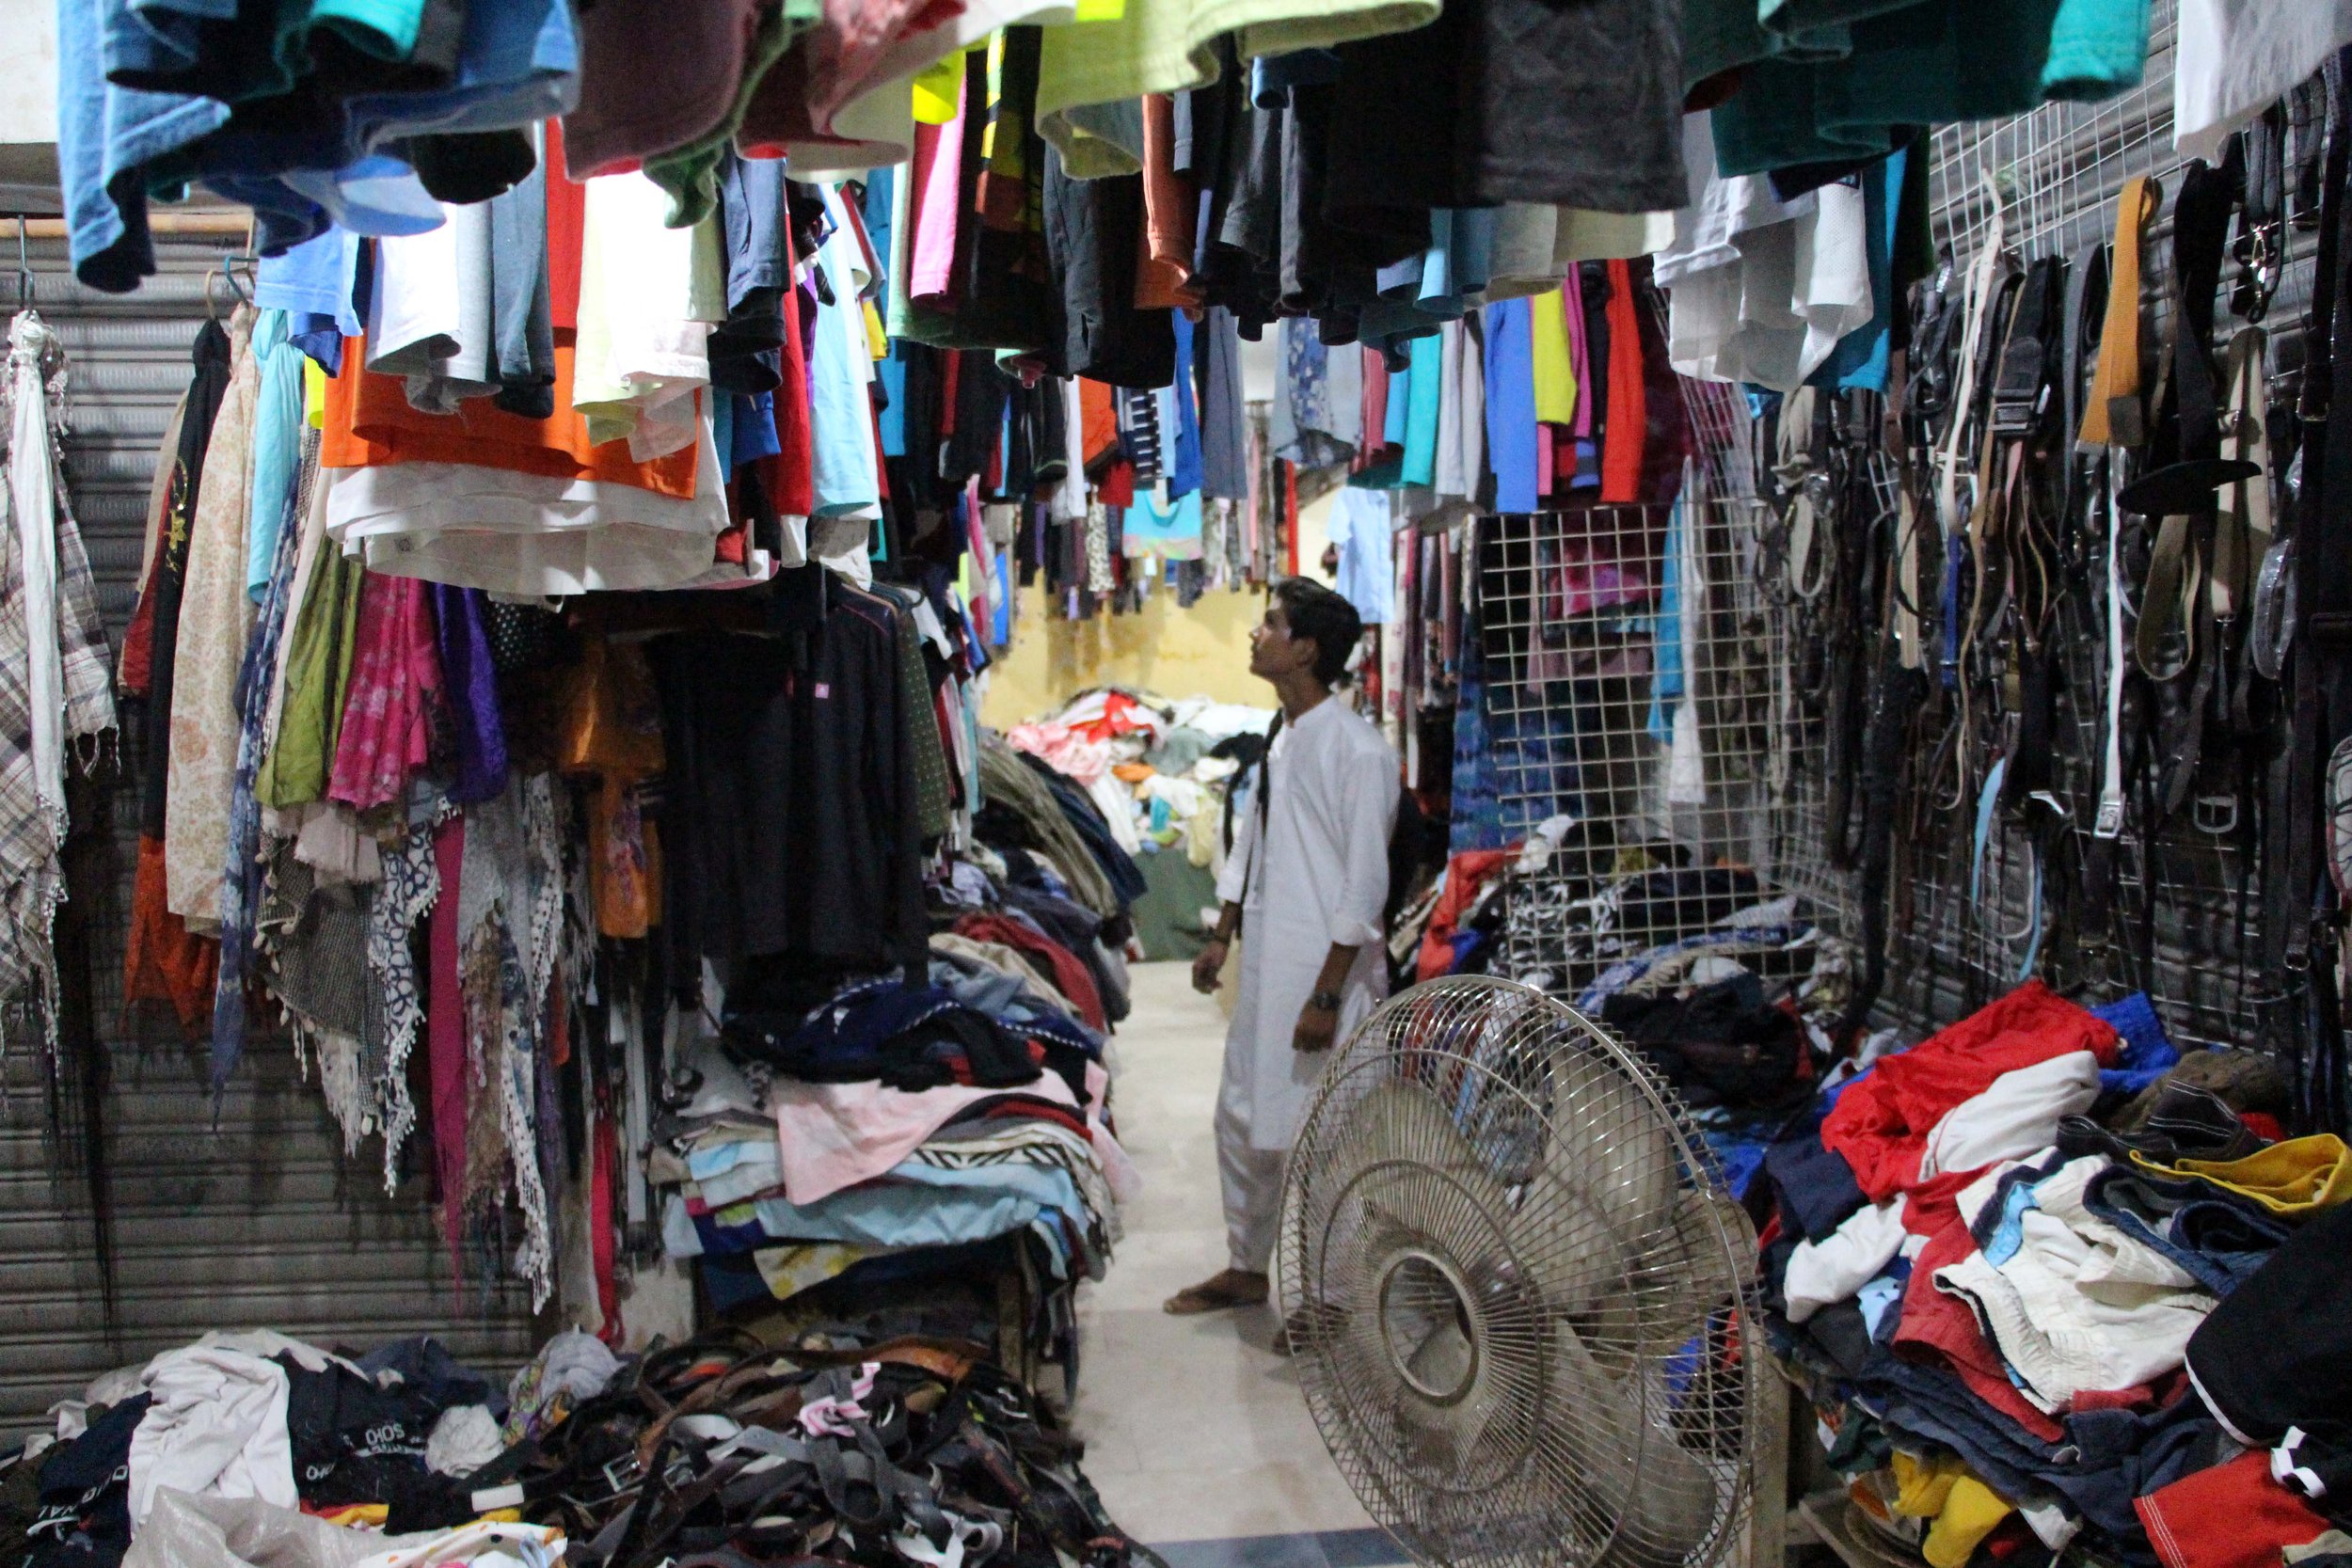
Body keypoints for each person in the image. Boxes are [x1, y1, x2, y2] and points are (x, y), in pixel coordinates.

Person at [1164, 577, 1401, 1331]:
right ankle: (1245, 1266)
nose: (1254, 635)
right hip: (1270, 965)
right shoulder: (1284, 736)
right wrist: (1221, 933)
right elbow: (1258, 842)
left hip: (1323, 976)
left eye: (1269, 624)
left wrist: (1328, 994)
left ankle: (1330, 1297)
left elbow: (1365, 886)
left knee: (1329, 1134)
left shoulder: (1360, 752)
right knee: (1242, 1118)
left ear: (1304, 648)